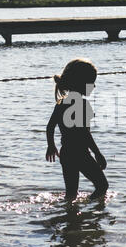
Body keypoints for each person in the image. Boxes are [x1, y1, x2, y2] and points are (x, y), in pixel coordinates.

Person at [45, 58, 108, 201]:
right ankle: (89, 212)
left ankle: (71, 219)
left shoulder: (62, 102)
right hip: (80, 154)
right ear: (81, 83)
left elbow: (50, 126)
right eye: (92, 82)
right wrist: (97, 153)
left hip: (66, 154)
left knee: (71, 194)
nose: (94, 86)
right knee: (102, 186)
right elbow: (84, 133)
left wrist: (51, 145)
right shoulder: (81, 104)